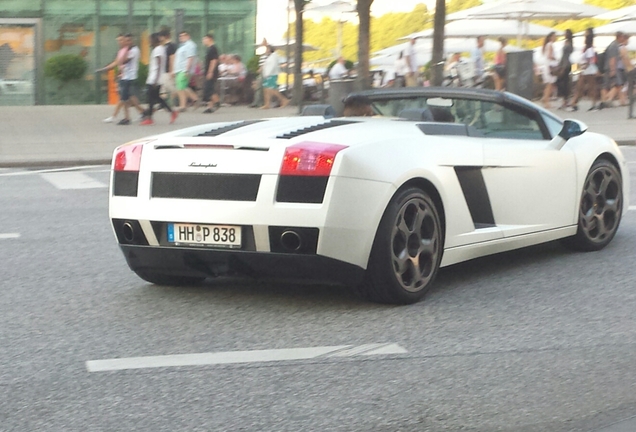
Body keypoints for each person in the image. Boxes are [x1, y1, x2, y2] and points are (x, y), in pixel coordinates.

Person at [140, 33, 177, 125]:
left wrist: (155, 80)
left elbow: (159, 65)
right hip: (156, 77)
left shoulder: (157, 50)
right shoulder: (161, 49)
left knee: (151, 97)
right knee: (155, 97)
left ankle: (149, 117)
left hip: (154, 78)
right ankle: (171, 112)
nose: (149, 42)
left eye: (150, 40)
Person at [567, 28, 600, 112]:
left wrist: (581, 68)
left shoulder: (588, 48)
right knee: (584, 86)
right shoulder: (588, 47)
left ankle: (575, 103)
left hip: (586, 69)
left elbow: (588, 60)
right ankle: (576, 103)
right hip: (587, 69)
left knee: (583, 86)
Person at [116, 34, 144, 125]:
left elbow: (123, 61)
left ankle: (127, 118)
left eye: (128, 41)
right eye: (125, 40)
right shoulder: (130, 50)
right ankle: (142, 111)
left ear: (132, 41)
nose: (125, 42)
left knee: (125, 98)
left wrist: (124, 52)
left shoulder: (133, 51)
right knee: (129, 96)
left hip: (129, 76)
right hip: (125, 75)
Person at [173, 30, 198, 111]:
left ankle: (183, 105)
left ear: (188, 36)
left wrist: (186, 70)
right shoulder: (183, 46)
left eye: (183, 35)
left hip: (183, 69)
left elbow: (190, 58)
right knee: (182, 87)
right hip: (180, 69)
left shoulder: (190, 45)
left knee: (180, 88)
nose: (181, 37)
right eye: (180, 36)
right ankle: (195, 99)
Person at [600, 32, 624, 108]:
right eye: (622, 37)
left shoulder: (611, 45)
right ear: (619, 37)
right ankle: (608, 99)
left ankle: (604, 100)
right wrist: (613, 70)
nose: (623, 39)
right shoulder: (615, 46)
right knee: (618, 84)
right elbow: (612, 59)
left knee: (606, 85)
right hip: (612, 68)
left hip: (607, 67)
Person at [201, 33, 220, 113]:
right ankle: (210, 107)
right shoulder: (209, 49)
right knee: (210, 88)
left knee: (209, 89)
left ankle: (217, 102)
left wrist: (210, 72)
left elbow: (214, 60)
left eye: (204, 39)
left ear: (209, 39)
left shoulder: (213, 49)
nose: (203, 41)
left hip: (211, 72)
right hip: (208, 71)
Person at [556, 30, 574, 110]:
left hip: (566, 65)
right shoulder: (567, 43)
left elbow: (565, 56)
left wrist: (562, 67)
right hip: (564, 64)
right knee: (561, 82)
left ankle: (565, 100)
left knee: (564, 83)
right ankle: (565, 100)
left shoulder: (569, 44)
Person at [158, 28, 177, 103]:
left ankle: (170, 103)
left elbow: (172, 57)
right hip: (164, 70)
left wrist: (171, 70)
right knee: (163, 88)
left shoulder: (171, 46)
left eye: (161, 36)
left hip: (168, 70)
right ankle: (164, 103)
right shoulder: (164, 46)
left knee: (171, 88)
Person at [541, 32, 558, 109]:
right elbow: (550, 56)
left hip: (546, 66)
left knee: (548, 85)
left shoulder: (546, 45)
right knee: (549, 85)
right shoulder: (550, 45)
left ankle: (545, 99)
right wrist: (555, 58)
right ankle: (546, 101)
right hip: (550, 66)